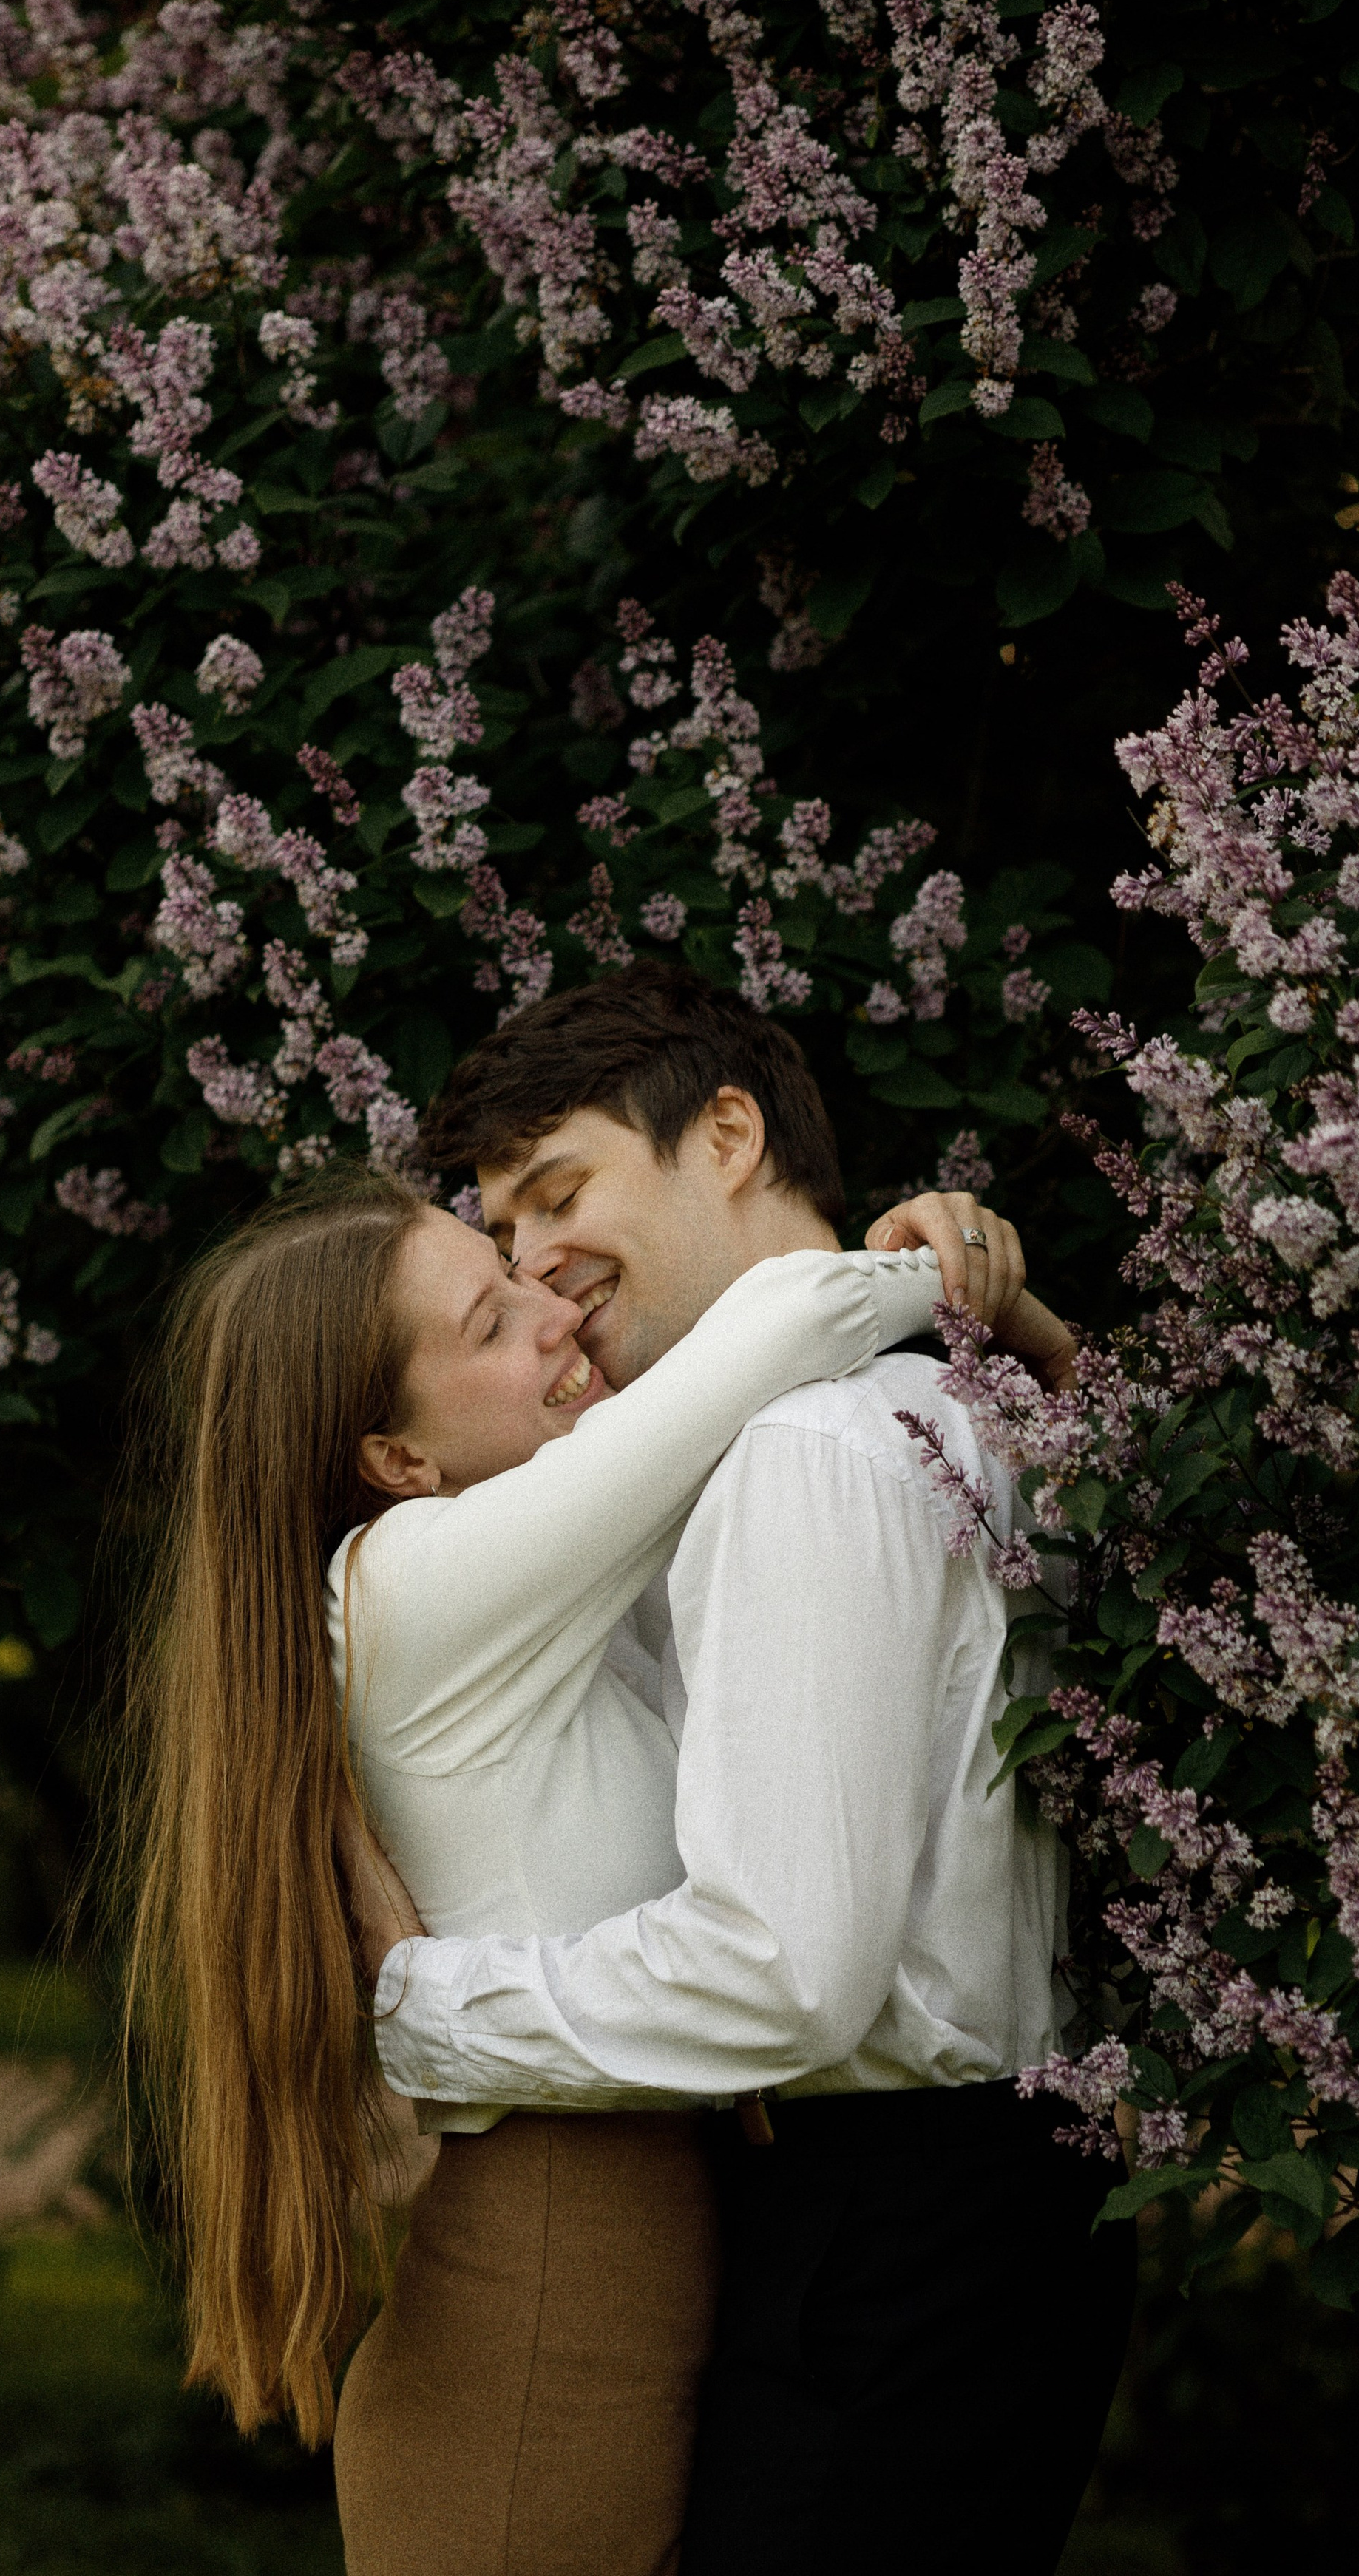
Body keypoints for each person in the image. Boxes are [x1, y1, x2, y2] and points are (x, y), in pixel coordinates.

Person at [117, 1141, 1028, 2572]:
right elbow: (784, 1324)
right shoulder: (419, 1575)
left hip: (616, 2245)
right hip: (552, 2270)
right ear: (393, 1459)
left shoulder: (526, 1609)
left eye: (514, 1273)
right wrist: (960, 1268)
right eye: (489, 1320)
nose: (554, 1307)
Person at [354, 959, 1137, 2576]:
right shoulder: (938, 1404)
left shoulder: (801, 1454)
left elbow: (779, 1978)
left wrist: (428, 2008)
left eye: (558, 1191)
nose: (544, 1274)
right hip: (987, 2207)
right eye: (500, 1240)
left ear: (724, 1134)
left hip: (885, 2229)